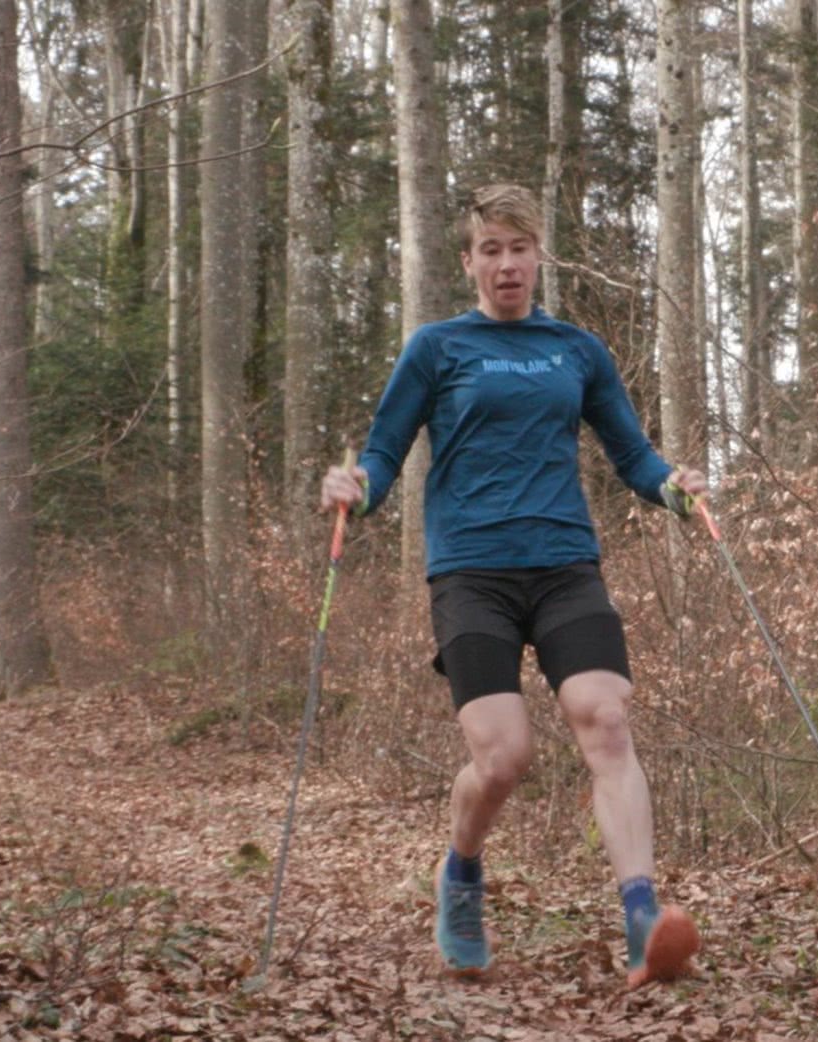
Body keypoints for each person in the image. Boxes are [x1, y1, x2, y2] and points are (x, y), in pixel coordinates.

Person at [320, 184, 706, 987]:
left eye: (519, 249)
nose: (506, 265)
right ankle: (461, 874)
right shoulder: (437, 348)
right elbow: (385, 451)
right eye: (490, 250)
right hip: (470, 571)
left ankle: (642, 919)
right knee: (503, 758)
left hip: (564, 564)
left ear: (538, 258)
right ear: (469, 262)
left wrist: (675, 487)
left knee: (606, 720)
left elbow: (634, 457)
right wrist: (357, 488)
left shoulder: (577, 350)